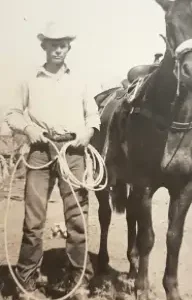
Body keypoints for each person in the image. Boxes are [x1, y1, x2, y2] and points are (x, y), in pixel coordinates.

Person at [4, 21, 100, 300]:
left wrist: (87, 133)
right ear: (43, 46)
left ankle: (79, 281)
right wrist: (29, 129)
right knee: (33, 220)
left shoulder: (80, 80)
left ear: (68, 47)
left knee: (77, 218)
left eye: (63, 45)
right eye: (52, 44)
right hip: (40, 151)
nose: (58, 49)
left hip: (73, 152)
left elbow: (92, 115)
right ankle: (26, 283)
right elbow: (12, 114)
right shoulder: (29, 80)